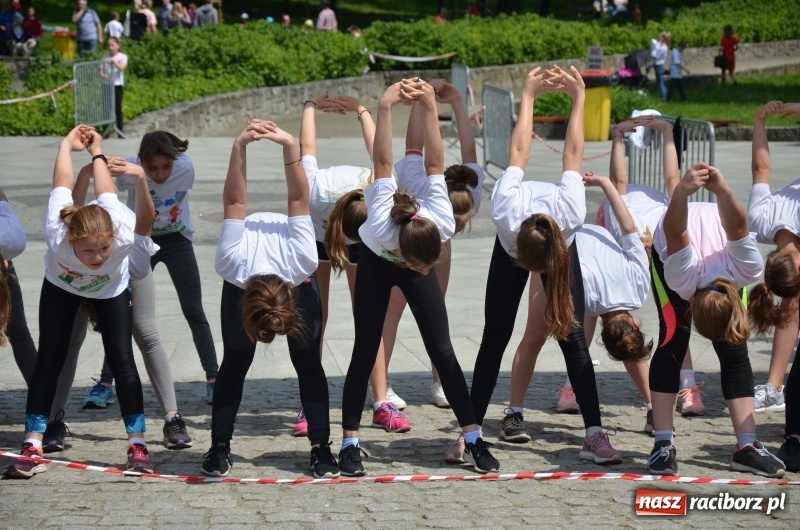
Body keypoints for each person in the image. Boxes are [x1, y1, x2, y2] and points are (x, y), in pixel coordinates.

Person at [446, 65, 623, 467]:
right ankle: (469, 432)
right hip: (518, 243)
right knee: (496, 335)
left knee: (572, 337)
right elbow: (520, 152)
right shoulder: (506, 214)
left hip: (560, 249)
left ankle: (594, 433)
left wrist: (580, 99)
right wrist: (527, 97)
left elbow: (572, 155)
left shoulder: (570, 214)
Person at [338, 78, 499, 476]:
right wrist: (384, 107)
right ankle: (349, 442)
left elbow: (433, 164)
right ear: (409, 258)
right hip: (376, 262)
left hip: (410, 246)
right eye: (424, 268)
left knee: (443, 351)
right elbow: (382, 165)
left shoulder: (441, 221)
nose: (428, 272)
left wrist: (430, 107)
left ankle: (474, 437)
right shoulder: (378, 225)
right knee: (364, 347)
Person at [3, 125, 152, 479]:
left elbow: (105, 188)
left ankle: (137, 444)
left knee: (122, 360)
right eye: (88, 250)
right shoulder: (57, 233)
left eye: (104, 248)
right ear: (71, 242)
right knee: (49, 359)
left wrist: (97, 151)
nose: (98, 256)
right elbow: (62, 181)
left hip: (110, 291)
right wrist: (65, 146)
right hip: (61, 287)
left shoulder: (121, 231)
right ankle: (32, 442)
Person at [201, 119, 338, 479]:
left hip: (279, 270)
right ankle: (218, 446)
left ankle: (321, 447)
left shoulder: (301, 261)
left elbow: (239, 200)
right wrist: (284, 146)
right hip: (249, 278)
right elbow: (292, 199)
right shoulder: (236, 265)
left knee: (308, 361)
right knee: (236, 360)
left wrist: (248, 146)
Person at [48, 137, 193, 452]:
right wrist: (86, 173)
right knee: (70, 341)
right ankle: (53, 420)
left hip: (119, 275)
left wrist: (137, 176)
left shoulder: (129, 239)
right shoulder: (79, 233)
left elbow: (145, 220)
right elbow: (67, 213)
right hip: (80, 278)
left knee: (145, 331)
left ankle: (172, 417)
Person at [645, 160, 784, 478]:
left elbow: (735, 228)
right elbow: (676, 230)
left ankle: (747, 446)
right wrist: (680, 192)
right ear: (692, 306)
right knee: (672, 338)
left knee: (735, 349)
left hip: (713, 234)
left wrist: (722, 192)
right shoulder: (681, 278)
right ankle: (663, 443)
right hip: (672, 237)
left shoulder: (746, 269)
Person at [370, 78, 486, 412]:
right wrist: (454, 105)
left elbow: (413, 148)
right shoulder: (469, 196)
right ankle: (439, 382)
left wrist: (424, 104)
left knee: (390, 315)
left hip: (401, 248)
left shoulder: (420, 182)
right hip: (438, 254)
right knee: (436, 317)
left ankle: (381, 386)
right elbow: (467, 151)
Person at [297, 94, 410, 435]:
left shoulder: (374, 195)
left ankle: (380, 401)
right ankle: (309, 402)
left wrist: (362, 110)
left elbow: (381, 153)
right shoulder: (315, 192)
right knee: (314, 316)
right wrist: (309, 107)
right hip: (316, 238)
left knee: (369, 317)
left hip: (361, 237)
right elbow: (306, 147)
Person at [82, 131, 220, 408]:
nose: (160, 174)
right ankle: (106, 383)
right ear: (141, 161)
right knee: (121, 310)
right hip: (140, 241)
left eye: (166, 166)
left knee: (194, 309)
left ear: (175, 160)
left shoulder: (185, 168)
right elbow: (105, 185)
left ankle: (214, 379)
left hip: (178, 240)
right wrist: (97, 157)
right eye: (152, 167)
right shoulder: (129, 169)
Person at [746, 101, 800, 416]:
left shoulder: (760, 220)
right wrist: (759, 119)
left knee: (791, 304)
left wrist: (758, 119)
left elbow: (760, 169)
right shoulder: (762, 221)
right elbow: (761, 169)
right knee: (791, 306)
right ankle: (774, 386)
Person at [101, 37, 128, 134]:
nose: (110, 47)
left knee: (117, 107)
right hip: (106, 84)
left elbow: (122, 67)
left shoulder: (122, 56)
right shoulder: (104, 57)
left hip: (117, 85)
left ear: (118, 46)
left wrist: (114, 61)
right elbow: (101, 72)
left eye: (112, 45)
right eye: (109, 45)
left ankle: (120, 130)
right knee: (106, 108)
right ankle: (106, 131)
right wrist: (107, 78)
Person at [650, 31, 670, 102]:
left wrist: (655, 49)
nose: (658, 38)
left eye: (660, 37)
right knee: (659, 82)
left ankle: (664, 98)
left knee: (661, 83)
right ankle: (662, 96)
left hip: (659, 65)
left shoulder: (663, 48)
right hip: (658, 65)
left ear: (663, 38)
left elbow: (655, 56)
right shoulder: (662, 46)